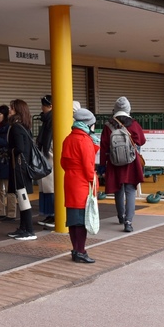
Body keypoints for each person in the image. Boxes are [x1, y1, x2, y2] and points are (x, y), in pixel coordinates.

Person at [99, 96, 146, 233]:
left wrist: (102, 165)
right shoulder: (134, 124)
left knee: (118, 189)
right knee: (130, 190)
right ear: (128, 109)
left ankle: (120, 216)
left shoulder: (108, 125)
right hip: (131, 162)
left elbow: (104, 146)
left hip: (114, 162)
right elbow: (142, 141)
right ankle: (128, 222)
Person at [61, 106, 98, 263]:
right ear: (88, 124)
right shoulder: (85, 140)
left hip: (70, 180)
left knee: (73, 219)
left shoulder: (68, 139)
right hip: (82, 183)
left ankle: (76, 250)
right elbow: (89, 166)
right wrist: (93, 183)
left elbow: (63, 162)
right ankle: (81, 251)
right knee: (83, 219)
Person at [6, 98, 37, 241]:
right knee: (21, 197)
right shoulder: (25, 126)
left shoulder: (16, 128)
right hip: (23, 167)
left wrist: (9, 150)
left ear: (17, 111)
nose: (9, 111)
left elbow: (19, 148)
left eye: (11, 108)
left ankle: (28, 230)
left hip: (19, 168)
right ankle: (23, 227)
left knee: (23, 198)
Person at [36, 95, 56, 229]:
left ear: (50, 106)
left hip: (49, 157)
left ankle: (54, 215)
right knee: (47, 188)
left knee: (51, 188)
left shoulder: (52, 120)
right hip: (45, 157)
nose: (41, 108)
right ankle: (50, 214)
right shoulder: (46, 120)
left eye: (43, 105)